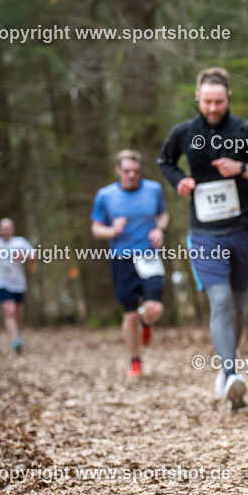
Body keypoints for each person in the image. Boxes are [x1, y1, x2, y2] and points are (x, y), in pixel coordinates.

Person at [158, 67, 248, 410]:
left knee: (239, 306)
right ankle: (229, 374)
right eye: (207, 101)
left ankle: (229, 363)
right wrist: (179, 181)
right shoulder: (183, 133)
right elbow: (165, 161)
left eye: (219, 101)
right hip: (204, 233)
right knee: (221, 301)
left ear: (229, 98)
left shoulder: (245, 131)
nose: (213, 108)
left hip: (242, 229)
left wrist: (241, 168)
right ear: (198, 98)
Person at [91, 150, 169, 378]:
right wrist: (111, 230)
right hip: (121, 259)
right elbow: (96, 229)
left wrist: (159, 228)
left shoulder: (153, 189)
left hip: (149, 256)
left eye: (136, 171)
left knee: (155, 308)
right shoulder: (105, 195)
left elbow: (163, 214)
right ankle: (135, 360)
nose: (132, 175)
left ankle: (148, 323)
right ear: (118, 170)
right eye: (127, 171)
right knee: (130, 314)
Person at [0, 218, 35, 354]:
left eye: (8, 228)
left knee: (18, 313)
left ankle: (17, 333)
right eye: (3, 228)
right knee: (9, 311)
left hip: (19, 283)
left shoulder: (20, 242)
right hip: (2, 282)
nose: (5, 230)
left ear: (12, 229)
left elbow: (33, 257)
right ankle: (15, 339)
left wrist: (24, 256)